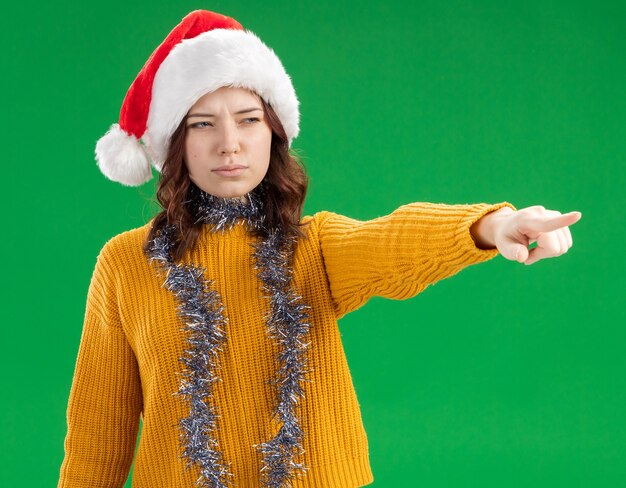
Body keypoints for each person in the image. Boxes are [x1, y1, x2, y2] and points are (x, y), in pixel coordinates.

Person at [57, 9, 582, 488]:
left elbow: (392, 242)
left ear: (273, 133)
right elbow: (97, 432)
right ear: (173, 144)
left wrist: (493, 225)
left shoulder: (312, 246)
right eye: (202, 124)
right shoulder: (126, 263)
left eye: (248, 119)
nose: (230, 143)